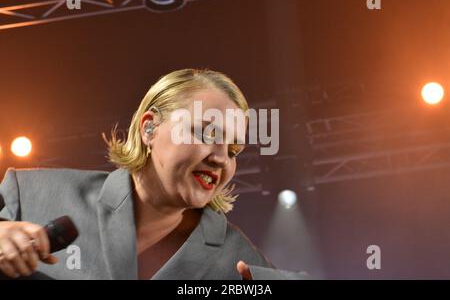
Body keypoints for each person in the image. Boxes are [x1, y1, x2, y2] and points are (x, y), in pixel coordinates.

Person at [0, 68, 287, 280]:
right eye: (207, 133)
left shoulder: (239, 261)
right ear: (149, 128)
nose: (221, 158)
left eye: (233, 150)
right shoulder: (29, 193)